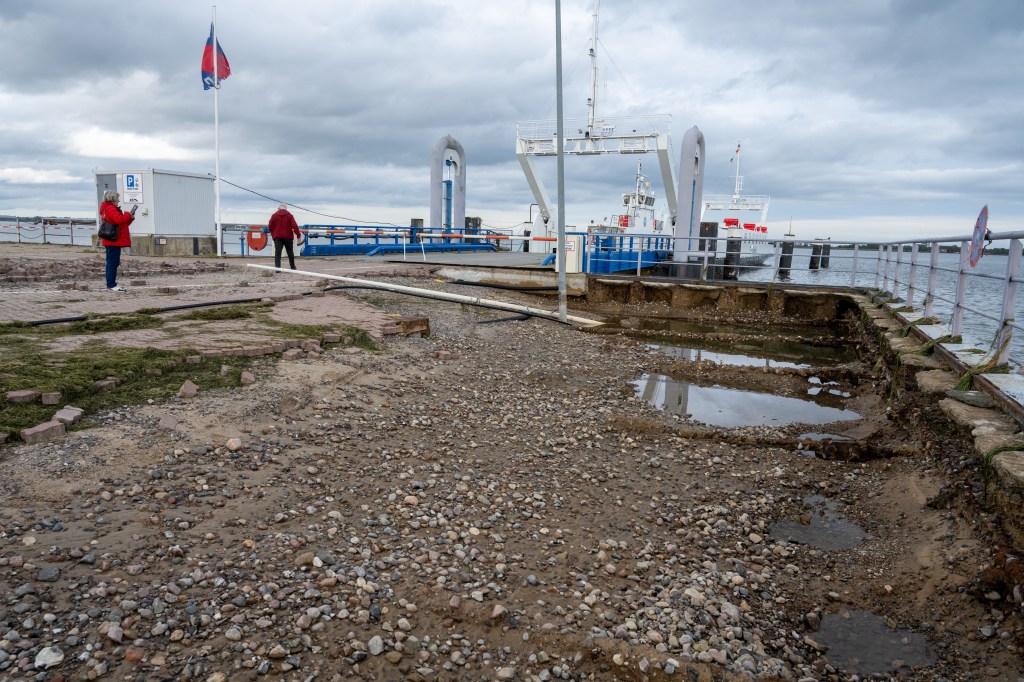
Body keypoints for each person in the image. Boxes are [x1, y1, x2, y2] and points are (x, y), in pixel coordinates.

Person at [98, 190, 135, 292]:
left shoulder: (109, 208)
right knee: (112, 263)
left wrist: (130, 218)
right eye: (117, 198)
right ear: (113, 198)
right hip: (112, 240)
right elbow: (119, 220)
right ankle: (111, 284)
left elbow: (121, 224)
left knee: (113, 262)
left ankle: (111, 284)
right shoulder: (110, 208)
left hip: (113, 240)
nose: (119, 200)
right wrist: (127, 214)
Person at [268, 203, 301, 270]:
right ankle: (292, 267)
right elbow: (295, 226)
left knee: (278, 252)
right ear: (286, 209)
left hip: (277, 237)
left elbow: (270, 226)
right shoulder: (289, 215)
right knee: (290, 252)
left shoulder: (274, 215)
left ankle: (277, 268)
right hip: (288, 236)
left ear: (279, 208)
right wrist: (298, 235)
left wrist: (273, 234)